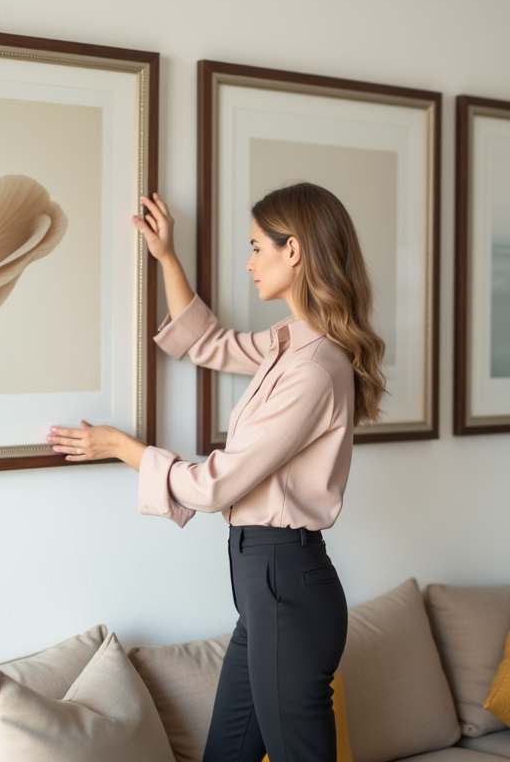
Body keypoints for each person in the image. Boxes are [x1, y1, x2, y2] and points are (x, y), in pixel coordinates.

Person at [46, 182, 386, 762]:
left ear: (294, 251)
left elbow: (215, 485)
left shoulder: (314, 370)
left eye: (258, 247)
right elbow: (209, 342)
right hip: (265, 589)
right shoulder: (288, 346)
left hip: (284, 583)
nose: (250, 262)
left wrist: (124, 449)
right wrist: (167, 258)